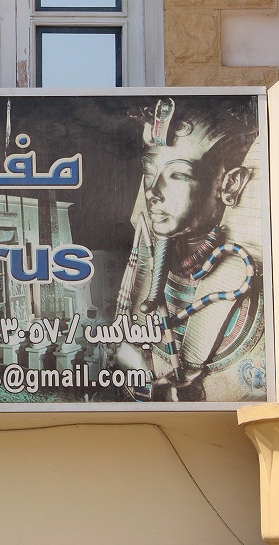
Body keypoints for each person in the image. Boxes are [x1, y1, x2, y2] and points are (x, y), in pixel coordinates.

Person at [112, 98, 266, 402]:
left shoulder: (253, 283)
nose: (153, 193)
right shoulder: (147, 264)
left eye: (178, 175)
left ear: (231, 185)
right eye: (149, 171)